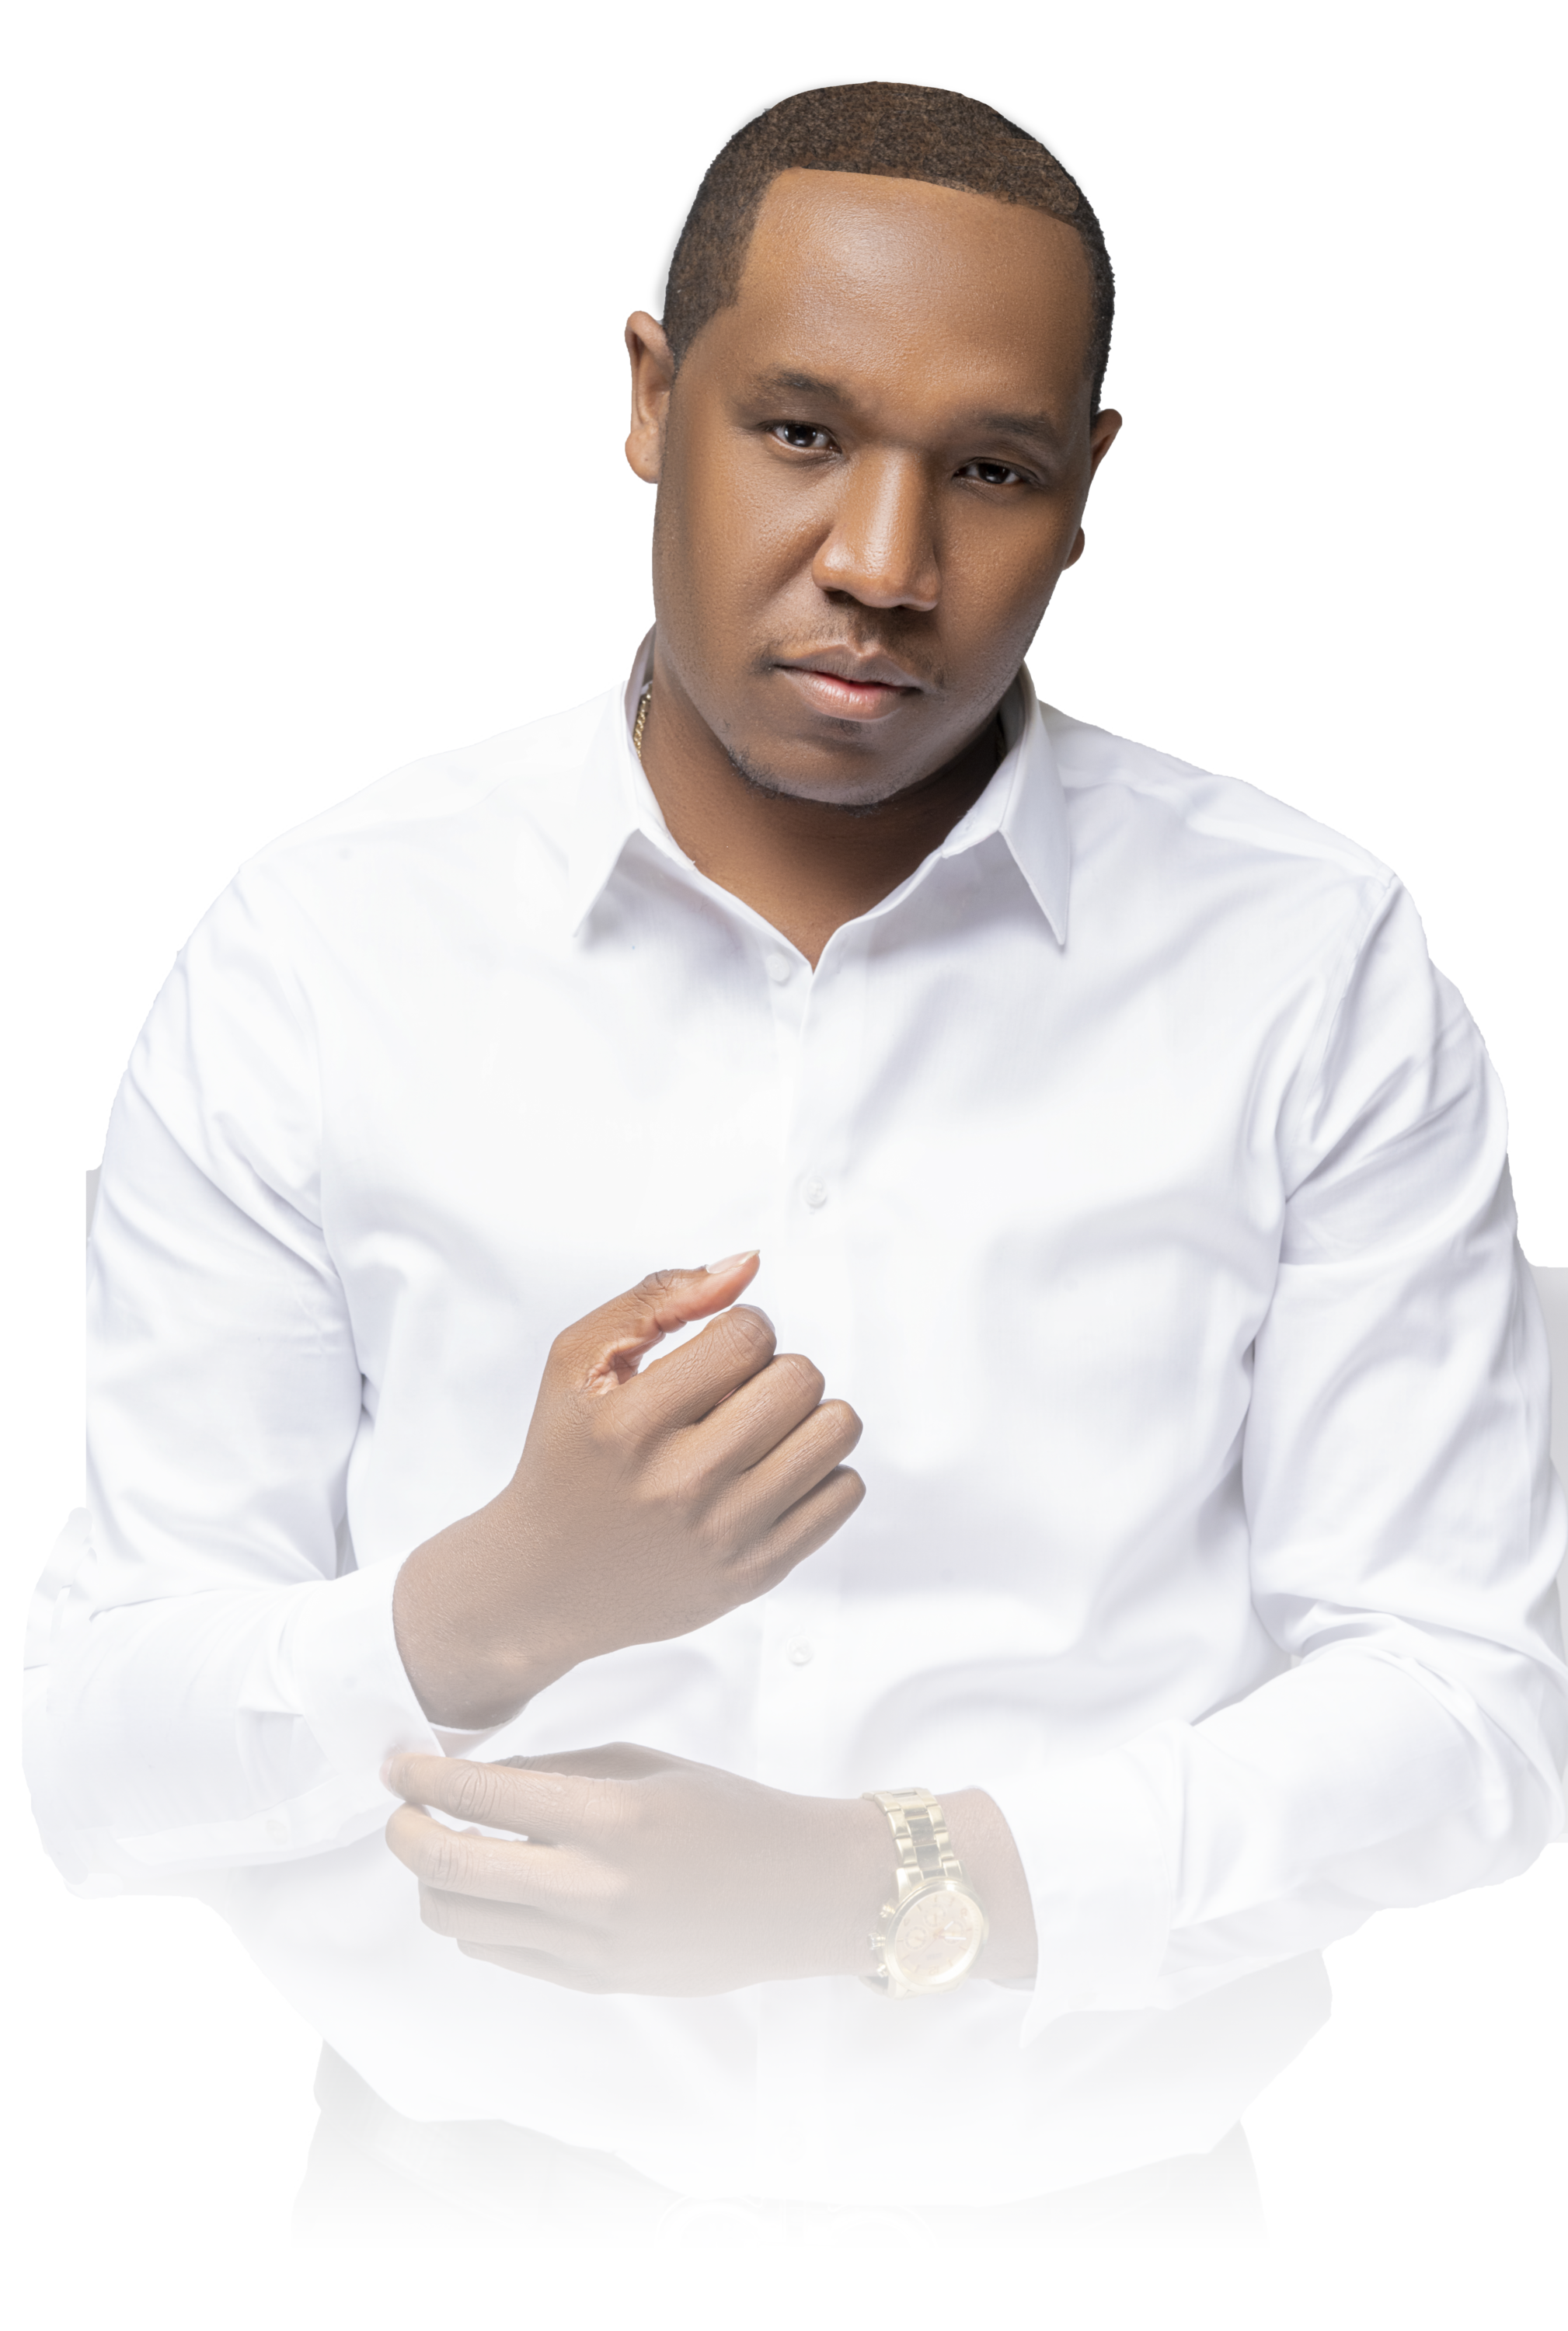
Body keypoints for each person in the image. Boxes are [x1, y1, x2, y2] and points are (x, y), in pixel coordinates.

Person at [29, 81, 1566, 2329]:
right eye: (803, 432)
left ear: (1088, 488)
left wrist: (882, 1887)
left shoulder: (1309, 965)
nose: (883, 560)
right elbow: (96, 1760)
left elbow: (1471, 1713)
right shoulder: (320, 952)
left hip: (1101, 2267)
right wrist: (491, 1606)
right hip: (462, 2259)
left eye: (992, 471)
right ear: (652, 400)